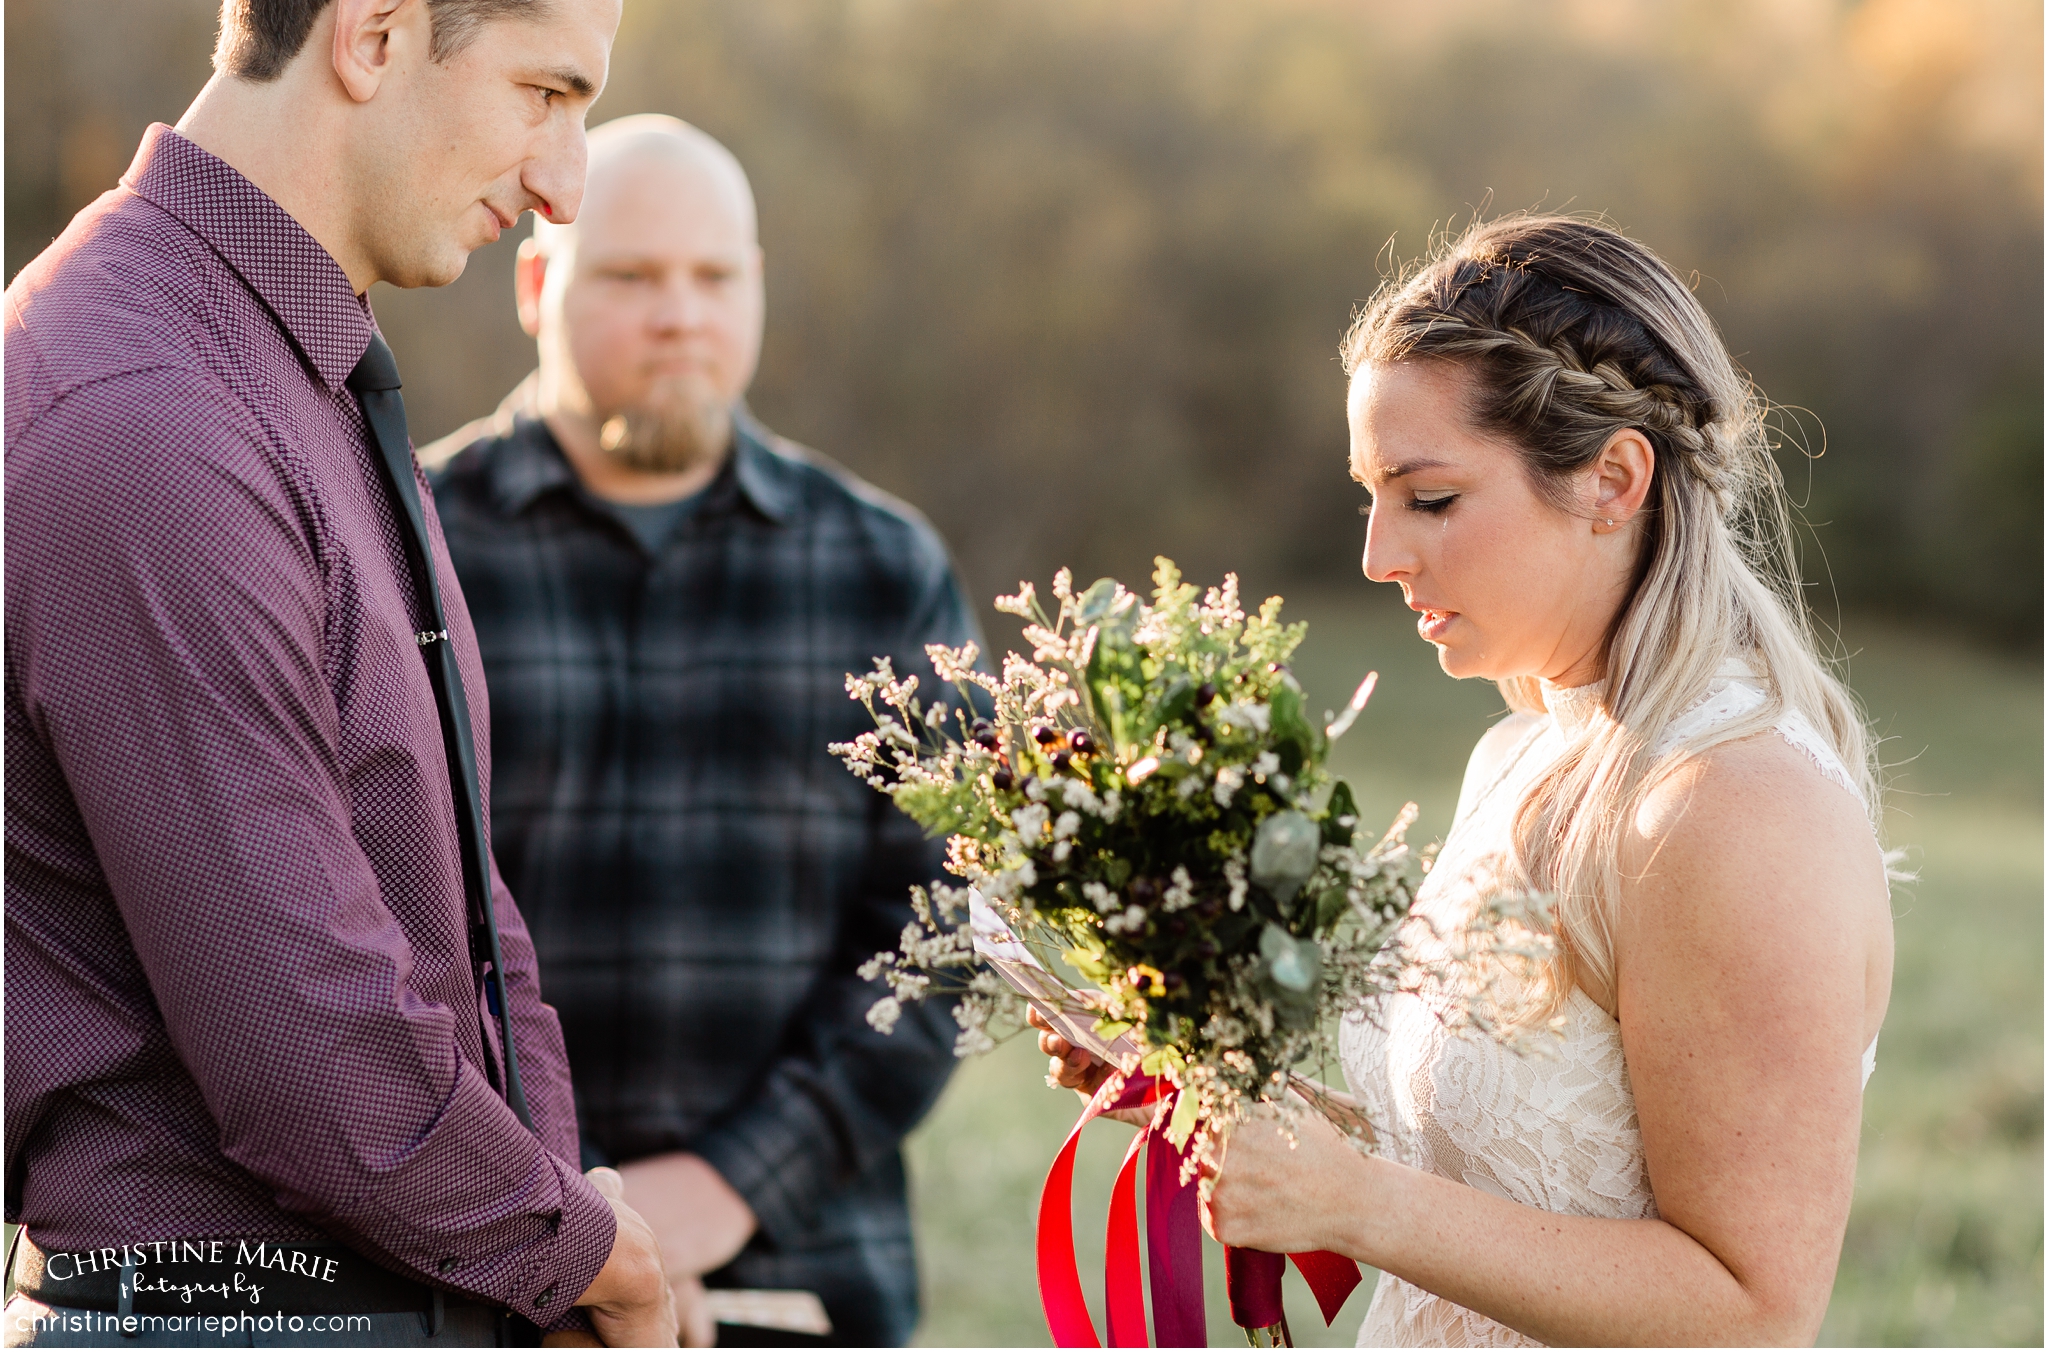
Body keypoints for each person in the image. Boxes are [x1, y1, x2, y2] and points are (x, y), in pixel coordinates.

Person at [5, 0, 676, 1347]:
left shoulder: (283, 362)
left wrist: (552, 1219)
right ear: (376, 30)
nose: (566, 182)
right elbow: (305, 1037)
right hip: (235, 1318)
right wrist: (588, 1257)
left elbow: (445, 888)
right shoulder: (146, 414)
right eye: (546, 94)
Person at [1040, 215, 1896, 1345]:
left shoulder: (1737, 808)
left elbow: (1750, 1304)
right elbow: (1496, 1170)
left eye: (1428, 498)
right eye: (1369, 497)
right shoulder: (1523, 753)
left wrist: (1355, 1205)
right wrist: (1211, 1089)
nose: (1377, 555)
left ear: (1611, 477)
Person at [422, 115, 978, 1348]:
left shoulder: (882, 567)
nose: (679, 313)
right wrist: (561, 1219)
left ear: (756, 289)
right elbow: (360, 939)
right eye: (628, 275)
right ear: (535, 284)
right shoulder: (400, 549)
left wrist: (727, 1184)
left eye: (713, 277)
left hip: (805, 1277)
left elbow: (945, 931)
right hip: (478, 1280)